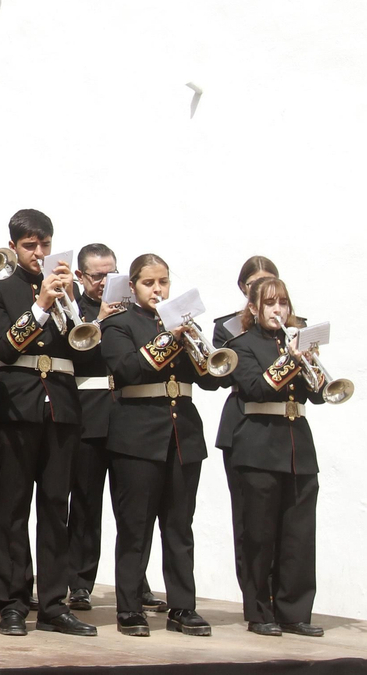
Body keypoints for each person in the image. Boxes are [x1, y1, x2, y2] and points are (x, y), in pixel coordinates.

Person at [101, 253, 232, 637]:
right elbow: (126, 370)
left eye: (164, 283)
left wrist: (198, 345)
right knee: (135, 526)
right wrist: (167, 340)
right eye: (149, 283)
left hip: (182, 436)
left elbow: (211, 380)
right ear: (133, 286)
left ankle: (182, 607)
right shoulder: (118, 324)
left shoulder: (182, 324)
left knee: (179, 526)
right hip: (137, 436)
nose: (158, 290)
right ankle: (129, 607)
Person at [0, 209, 95, 636]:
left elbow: (86, 353)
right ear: (13, 247)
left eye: (45, 244)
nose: (40, 253)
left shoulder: (69, 291)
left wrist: (76, 305)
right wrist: (42, 305)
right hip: (18, 403)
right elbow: (4, 348)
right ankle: (12, 602)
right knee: (12, 507)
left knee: (55, 508)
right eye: (31, 246)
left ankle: (52, 603)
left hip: (62, 407)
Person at [223, 277, 325, 637]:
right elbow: (255, 387)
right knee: (259, 533)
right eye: (269, 304)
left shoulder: (293, 342)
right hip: (258, 444)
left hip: (298, 445)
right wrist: (289, 362)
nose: (278, 310)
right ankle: (259, 611)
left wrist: (312, 364)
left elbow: (319, 395)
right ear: (253, 308)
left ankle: (294, 612)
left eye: (282, 303)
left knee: (299, 534)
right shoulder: (243, 344)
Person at [210, 255, 281, 609]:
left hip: (283, 427)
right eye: (256, 284)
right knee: (250, 519)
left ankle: (283, 599)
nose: (264, 289)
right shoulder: (228, 327)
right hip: (244, 421)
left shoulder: (293, 327)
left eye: (271, 282)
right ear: (244, 289)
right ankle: (255, 597)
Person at [66, 243, 125, 611]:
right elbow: (75, 353)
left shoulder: (132, 309)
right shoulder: (74, 308)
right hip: (87, 416)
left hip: (126, 417)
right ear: (81, 276)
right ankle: (80, 581)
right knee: (86, 504)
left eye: (111, 274)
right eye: (98, 275)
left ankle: (137, 582)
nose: (105, 282)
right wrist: (101, 321)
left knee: (132, 507)